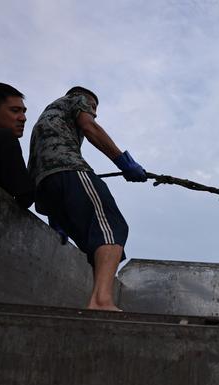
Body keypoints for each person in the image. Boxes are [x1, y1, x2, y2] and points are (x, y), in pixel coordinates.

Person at [28, 86, 147, 311]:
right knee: (112, 227)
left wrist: (54, 214)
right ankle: (101, 301)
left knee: (95, 244)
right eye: (93, 107)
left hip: (44, 183)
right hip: (69, 169)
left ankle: (99, 299)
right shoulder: (77, 99)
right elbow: (89, 127)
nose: (92, 112)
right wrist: (123, 162)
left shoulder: (47, 116)